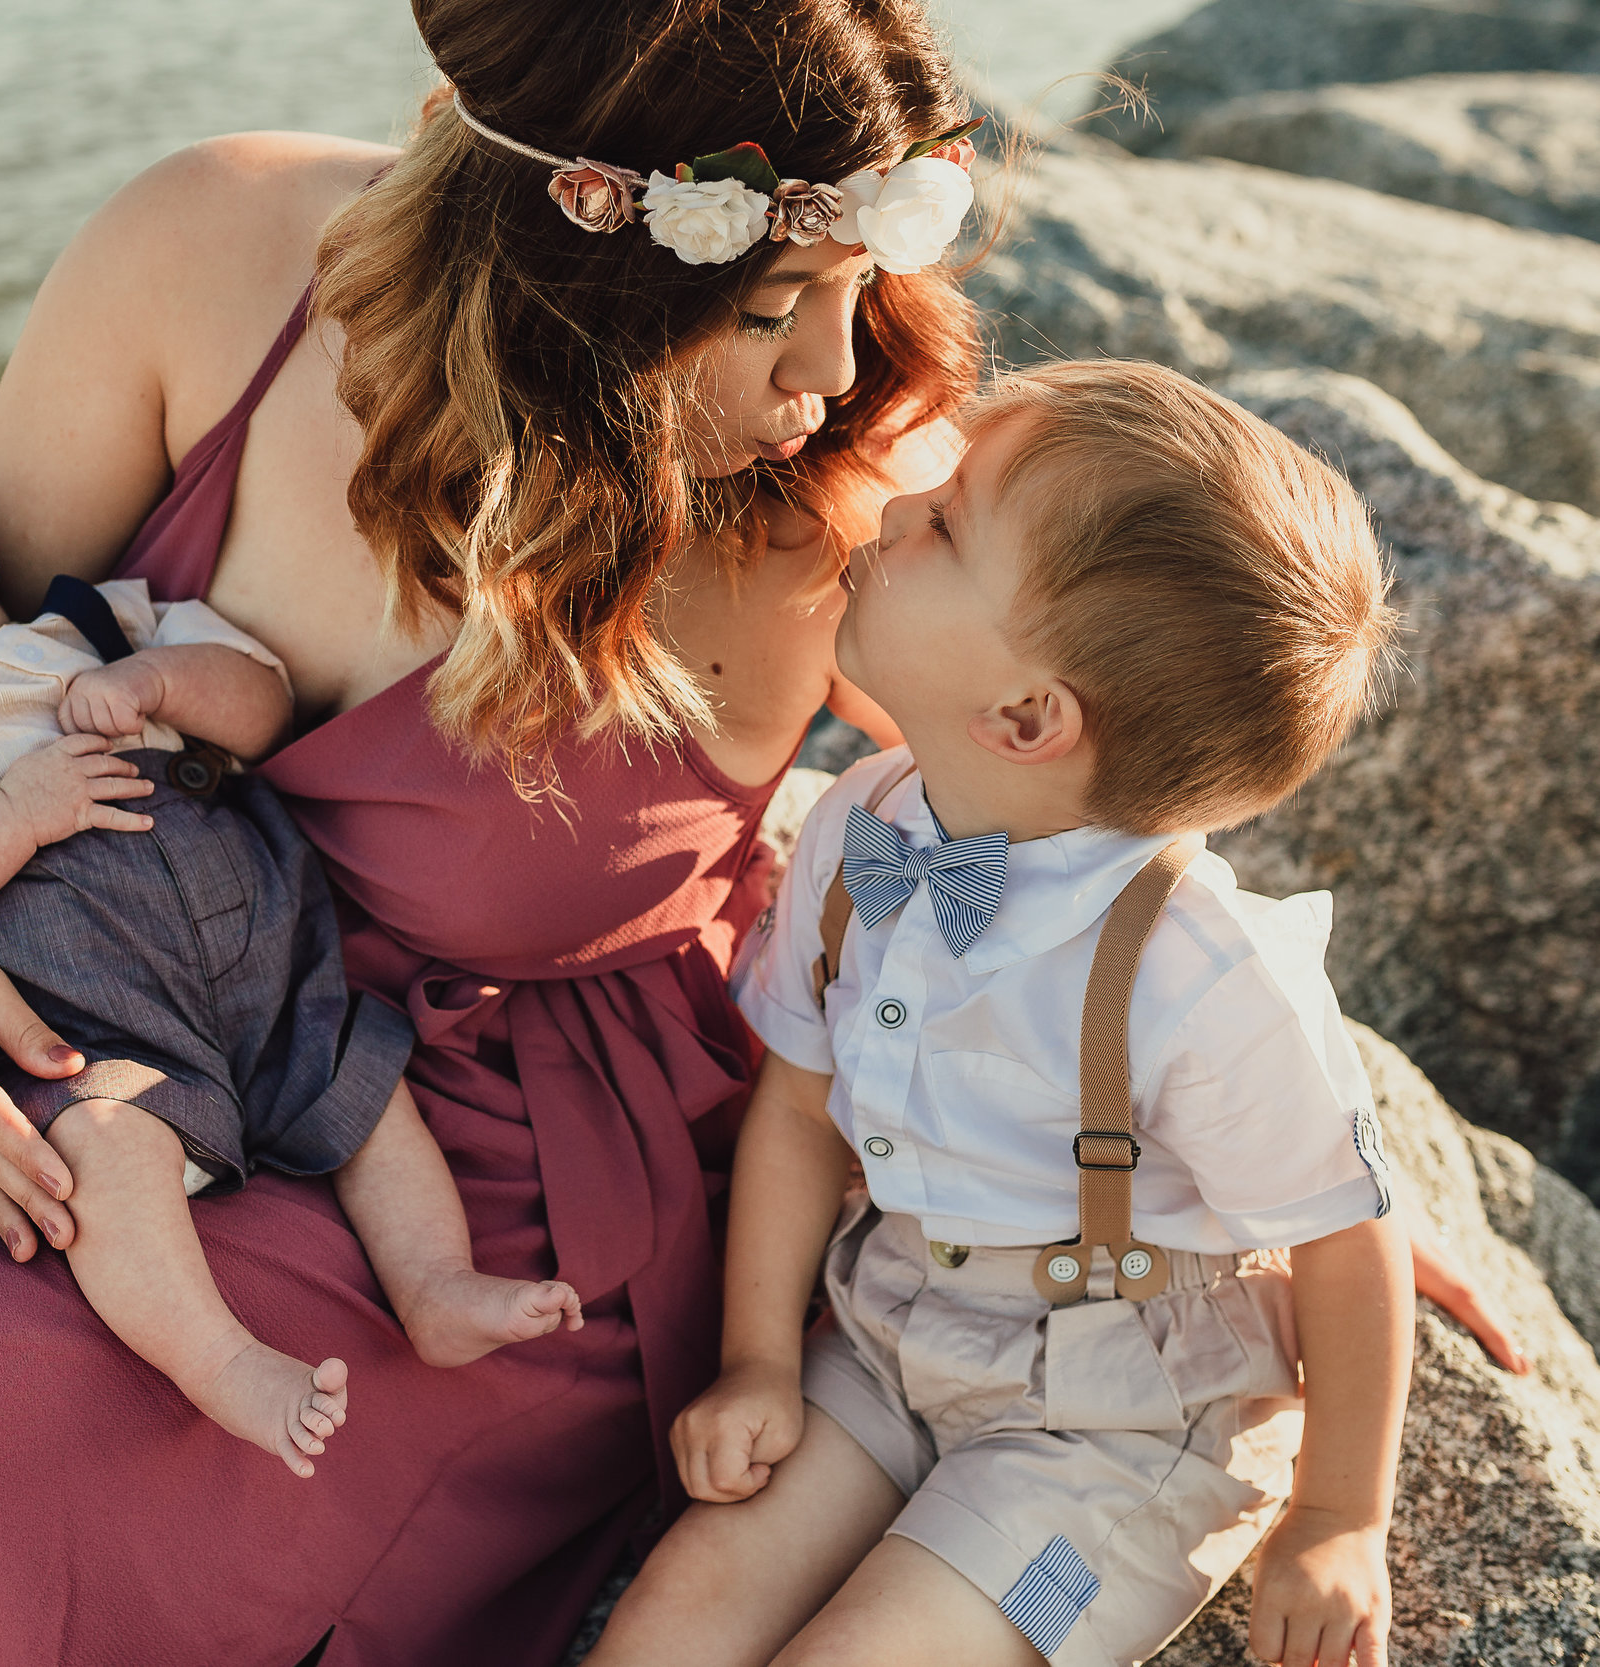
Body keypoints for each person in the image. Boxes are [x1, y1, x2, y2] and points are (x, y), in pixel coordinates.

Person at [0, 3, 1516, 1662]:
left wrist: (1243, 1179)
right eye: (774, 311)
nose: (829, 371)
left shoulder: (826, 482)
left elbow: (1049, 823)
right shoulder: (197, 255)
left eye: (851, 292)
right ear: (574, 273)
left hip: (479, 1157)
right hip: (96, 977)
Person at [587, 361, 1410, 1667]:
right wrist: (756, 1356)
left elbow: (1348, 1242)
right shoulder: (867, 820)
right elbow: (800, 1102)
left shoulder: (1198, 968)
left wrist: (1335, 1515)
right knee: (666, 1628)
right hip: (891, 1324)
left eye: (950, 523)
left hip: (1119, 1414)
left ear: (1027, 714)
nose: (901, 505)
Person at [0, 468, 582, 1476]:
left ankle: (435, 1283)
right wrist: (11, 817)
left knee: (368, 1092)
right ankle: (220, 1360)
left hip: (276, 980)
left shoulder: (106, 624)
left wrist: (162, 685)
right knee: (99, 1155)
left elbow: (262, 706)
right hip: (106, 1038)